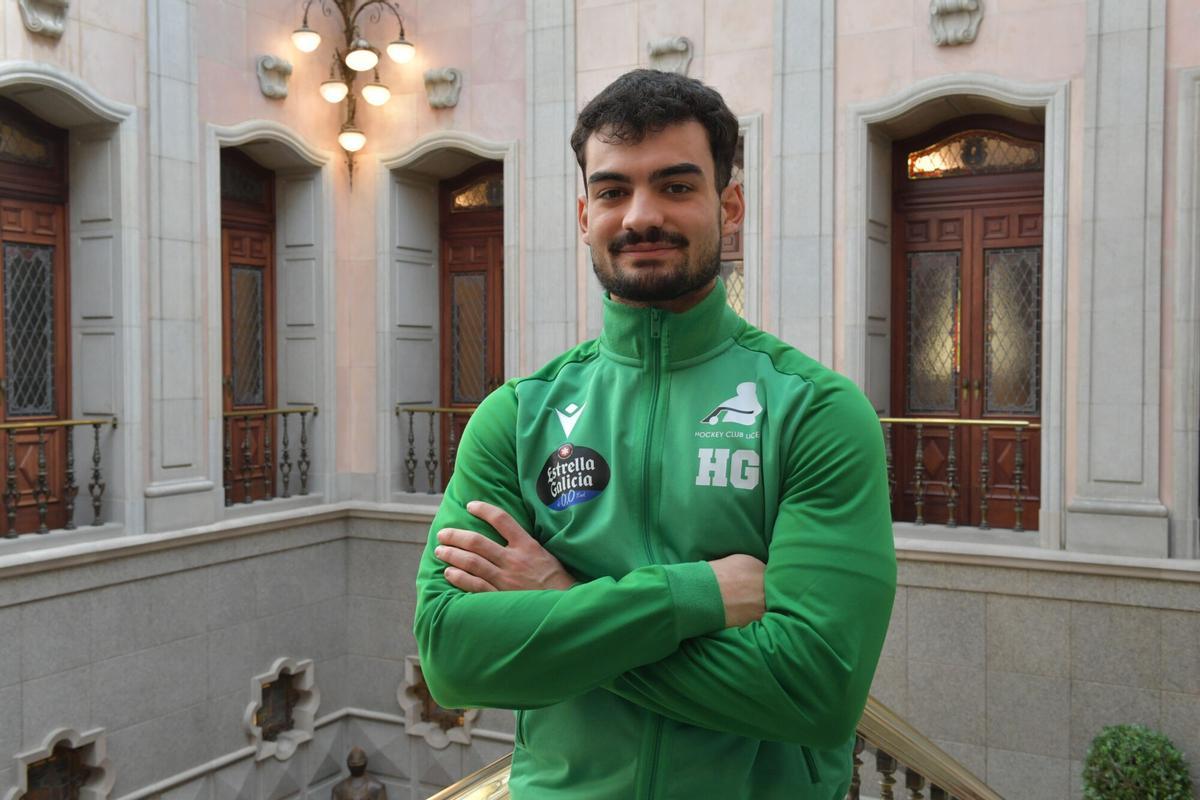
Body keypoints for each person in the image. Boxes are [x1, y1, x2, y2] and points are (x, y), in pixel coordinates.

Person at [414, 69, 896, 799]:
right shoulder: (515, 417)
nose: (640, 215)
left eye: (675, 186)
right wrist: (693, 597)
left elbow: (813, 689)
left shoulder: (816, 411)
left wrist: (560, 600)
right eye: (612, 191)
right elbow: (453, 657)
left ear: (728, 206)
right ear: (584, 215)